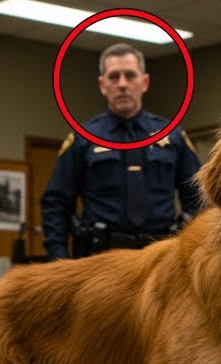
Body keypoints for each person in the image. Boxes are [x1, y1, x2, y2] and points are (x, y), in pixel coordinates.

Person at [40, 43, 202, 260]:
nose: (122, 84)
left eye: (130, 75)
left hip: (161, 257)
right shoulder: (83, 138)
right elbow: (56, 203)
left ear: (145, 82)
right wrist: (59, 263)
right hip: (101, 258)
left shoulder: (172, 136)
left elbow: (199, 198)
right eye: (114, 77)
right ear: (102, 85)